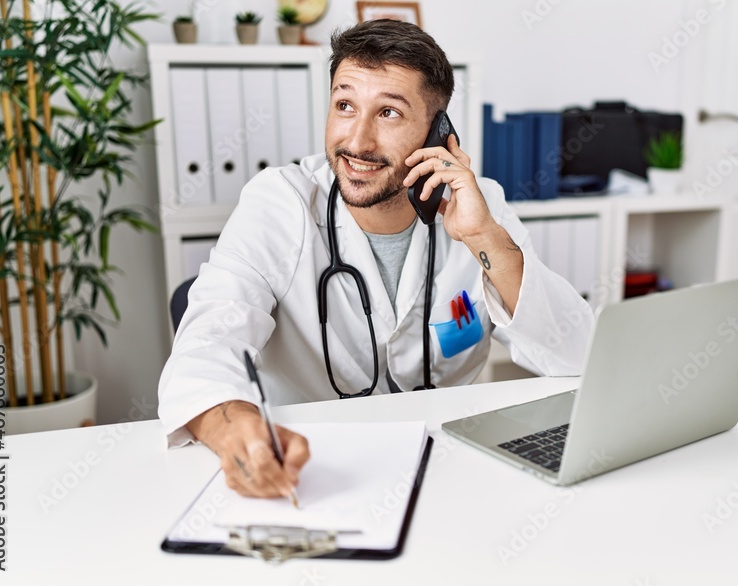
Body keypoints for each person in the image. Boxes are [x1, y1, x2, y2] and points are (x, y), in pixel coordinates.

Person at [157, 20, 595, 500]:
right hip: (314, 470)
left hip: (452, 470)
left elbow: (578, 357)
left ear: (437, 133)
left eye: (388, 112)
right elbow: (205, 345)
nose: (358, 142)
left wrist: (484, 237)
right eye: (345, 106)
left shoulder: (481, 205)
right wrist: (237, 431)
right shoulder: (280, 203)